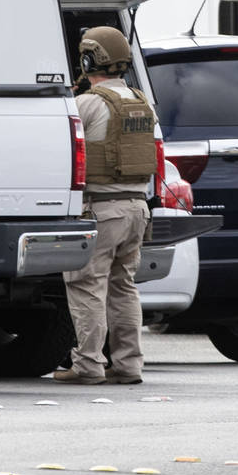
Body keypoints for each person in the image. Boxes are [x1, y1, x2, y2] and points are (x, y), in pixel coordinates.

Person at [54, 26, 156, 385]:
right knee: (124, 286)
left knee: (86, 285)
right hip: (137, 208)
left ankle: (88, 365)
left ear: (87, 59)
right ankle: (129, 366)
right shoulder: (141, 102)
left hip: (102, 208)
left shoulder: (88, 103)